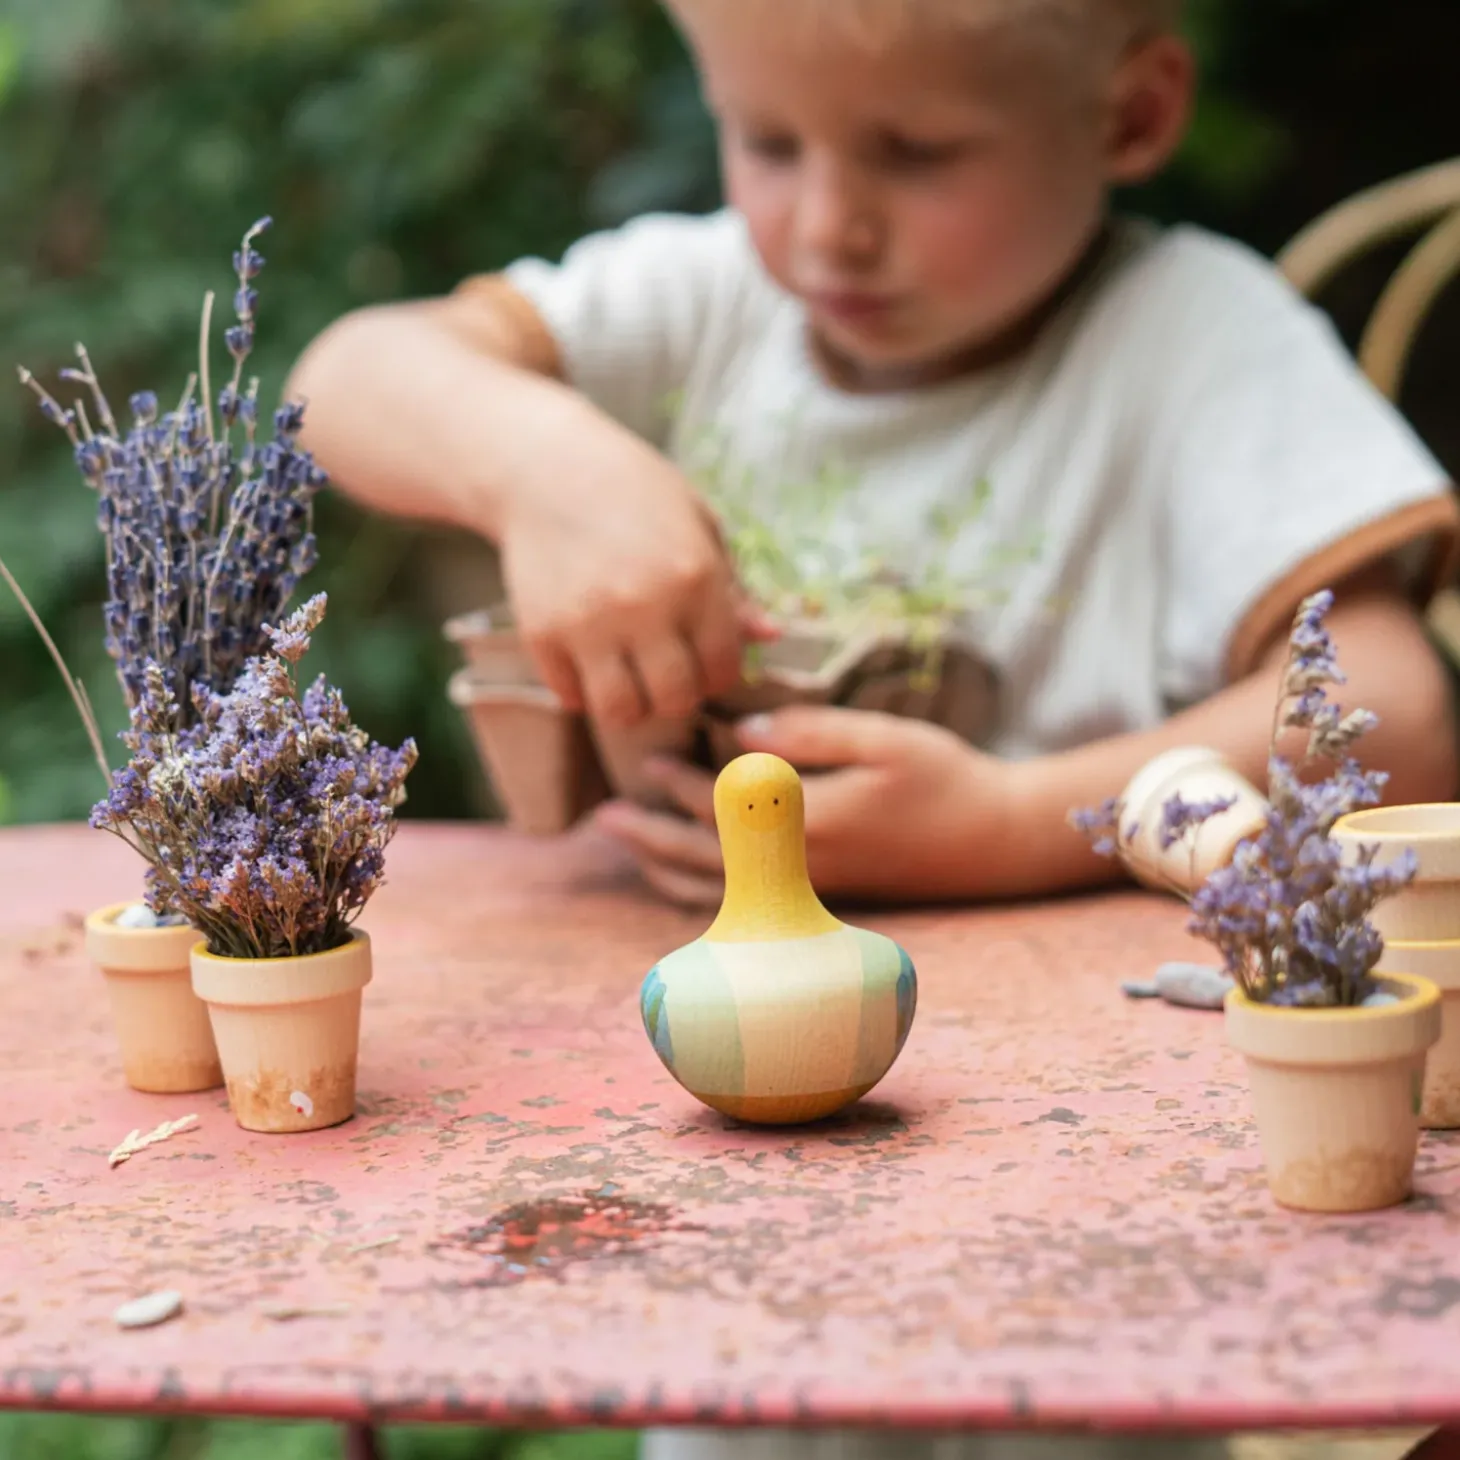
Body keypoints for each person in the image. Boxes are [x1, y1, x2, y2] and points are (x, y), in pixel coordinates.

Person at [289, 5, 1456, 1454]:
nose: (827, 224)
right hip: (715, 1233)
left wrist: (1009, 823)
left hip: (1083, 1250)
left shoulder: (1193, 337)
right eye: (768, 141)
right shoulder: (704, 304)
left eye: (915, 153)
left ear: (1132, 115)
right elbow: (342, 376)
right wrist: (541, 468)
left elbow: (1396, 711)